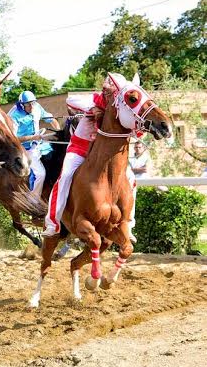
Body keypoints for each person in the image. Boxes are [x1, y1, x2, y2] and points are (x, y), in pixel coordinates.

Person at [44, 73, 138, 241]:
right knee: (64, 176)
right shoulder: (95, 99)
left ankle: (128, 224)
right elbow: (70, 100)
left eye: (111, 89)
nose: (106, 92)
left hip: (104, 155)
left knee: (131, 178)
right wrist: (93, 108)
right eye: (106, 89)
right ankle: (52, 222)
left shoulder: (120, 110)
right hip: (80, 149)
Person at [8, 91, 60, 198]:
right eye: (28, 105)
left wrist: (59, 131)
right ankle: (34, 200)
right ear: (22, 105)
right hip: (24, 149)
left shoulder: (37, 107)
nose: (31, 107)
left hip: (39, 145)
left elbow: (52, 120)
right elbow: (14, 139)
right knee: (40, 174)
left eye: (33, 103)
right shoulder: (14, 116)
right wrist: (32, 137)